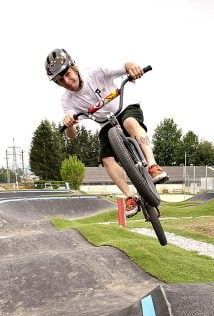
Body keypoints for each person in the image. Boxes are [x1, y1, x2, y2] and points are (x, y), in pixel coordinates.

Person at [45, 48, 168, 217]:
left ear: (74, 68)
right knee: (105, 158)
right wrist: (70, 124)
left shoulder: (95, 72)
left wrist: (133, 68)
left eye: (68, 74)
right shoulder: (67, 101)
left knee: (130, 122)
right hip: (105, 123)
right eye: (60, 80)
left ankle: (153, 165)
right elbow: (72, 136)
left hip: (125, 108)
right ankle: (130, 197)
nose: (67, 81)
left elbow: (125, 66)